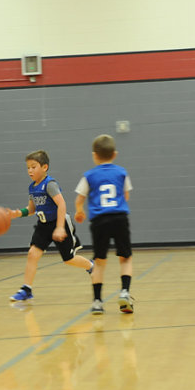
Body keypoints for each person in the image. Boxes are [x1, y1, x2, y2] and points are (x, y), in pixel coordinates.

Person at [5, 150, 94, 302]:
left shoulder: (50, 184)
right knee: (32, 254)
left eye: (33, 167)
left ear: (44, 167)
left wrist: (59, 227)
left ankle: (91, 266)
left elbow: (62, 204)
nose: (30, 170)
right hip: (43, 225)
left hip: (60, 222)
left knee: (69, 259)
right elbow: (32, 209)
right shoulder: (32, 187)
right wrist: (17, 213)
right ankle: (26, 289)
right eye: (28, 168)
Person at [74, 134, 134, 315]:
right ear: (114, 154)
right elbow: (126, 196)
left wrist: (79, 211)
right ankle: (124, 292)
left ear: (94, 155)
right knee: (125, 258)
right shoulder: (122, 173)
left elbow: (79, 199)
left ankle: (97, 302)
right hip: (120, 218)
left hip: (99, 221)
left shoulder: (89, 175)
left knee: (99, 262)